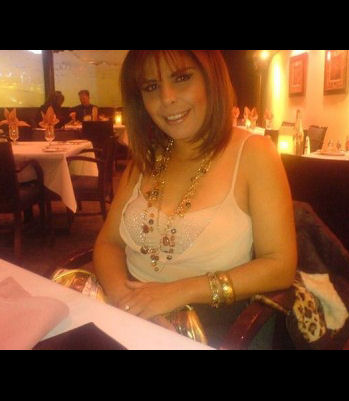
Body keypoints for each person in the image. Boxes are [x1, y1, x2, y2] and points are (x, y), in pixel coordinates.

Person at [93, 50, 297, 348]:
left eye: (182, 78)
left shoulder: (254, 152)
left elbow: (280, 265)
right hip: (131, 317)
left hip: (213, 327)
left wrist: (178, 292)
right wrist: (127, 302)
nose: (167, 98)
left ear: (211, 78)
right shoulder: (146, 157)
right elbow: (108, 242)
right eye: (151, 86)